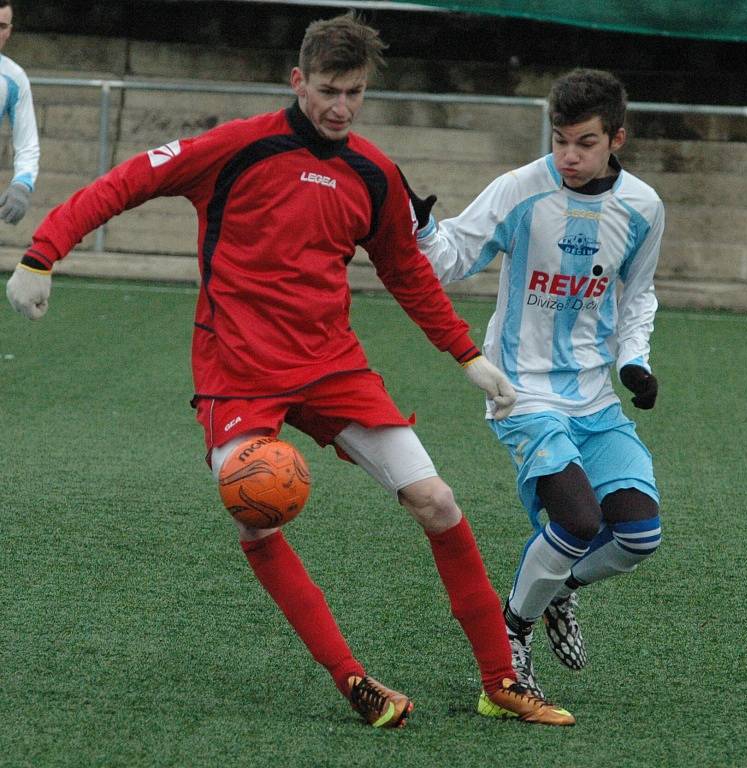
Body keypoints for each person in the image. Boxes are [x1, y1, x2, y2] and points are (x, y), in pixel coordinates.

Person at [5, 13, 575, 728]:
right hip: (235, 370)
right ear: (297, 80)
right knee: (257, 514)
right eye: (329, 90)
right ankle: (354, 681)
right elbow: (123, 183)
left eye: (355, 93)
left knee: (438, 502)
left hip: (332, 368)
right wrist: (41, 253)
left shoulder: (370, 171)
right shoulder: (234, 148)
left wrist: (465, 355)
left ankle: (500, 682)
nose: (340, 107)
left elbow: (406, 271)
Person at [409, 68, 663, 701]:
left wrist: (635, 361)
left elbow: (639, 296)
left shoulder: (643, 208)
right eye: (559, 141)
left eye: (584, 142)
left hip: (594, 395)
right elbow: (454, 259)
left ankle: (557, 592)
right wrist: (419, 230)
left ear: (617, 139)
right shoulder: (521, 190)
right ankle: (513, 632)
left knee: (638, 534)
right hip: (520, 390)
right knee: (578, 518)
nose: (568, 156)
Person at [0, 0, 39, 225]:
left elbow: (27, 144)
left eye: (1, 26)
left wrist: (22, 185)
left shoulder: (14, 79)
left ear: (9, 31)